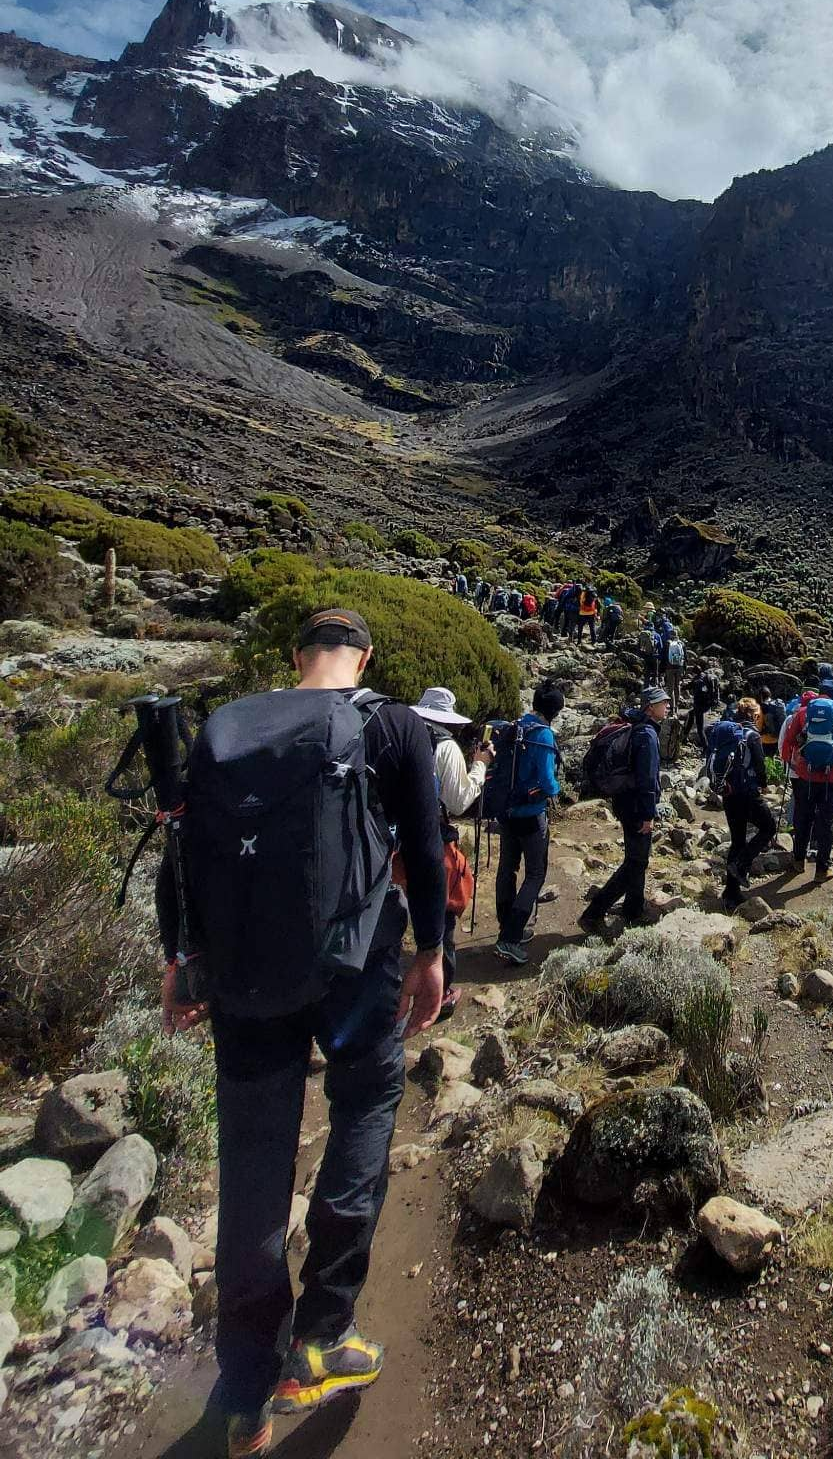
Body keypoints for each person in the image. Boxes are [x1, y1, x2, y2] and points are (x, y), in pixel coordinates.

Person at [160, 607, 444, 1459]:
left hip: (243, 970)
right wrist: (432, 953)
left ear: (296, 658)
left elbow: (184, 848)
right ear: (363, 655)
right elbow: (425, 850)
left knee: (253, 1160)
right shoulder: (389, 723)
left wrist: (183, 959)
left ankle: (244, 1382)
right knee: (364, 1105)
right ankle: (323, 1332)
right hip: (355, 962)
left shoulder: (229, 727)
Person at [410, 686, 488, 1017]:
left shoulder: (401, 736)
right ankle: (439, 995)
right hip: (432, 838)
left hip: (394, 839)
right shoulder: (445, 747)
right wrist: (480, 766)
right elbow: (458, 801)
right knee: (443, 916)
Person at [579, 686, 665, 932]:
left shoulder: (637, 728)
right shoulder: (647, 734)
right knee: (636, 862)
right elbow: (647, 778)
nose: (667, 706)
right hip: (637, 806)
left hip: (624, 801)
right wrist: (649, 813)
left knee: (636, 858)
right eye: (663, 702)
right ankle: (593, 913)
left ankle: (633, 908)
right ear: (650, 707)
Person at [491, 683, 565, 965]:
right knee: (535, 874)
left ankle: (506, 923)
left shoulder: (516, 725)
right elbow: (548, 782)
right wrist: (555, 789)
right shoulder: (543, 735)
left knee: (506, 868)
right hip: (531, 815)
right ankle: (510, 937)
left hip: (505, 811)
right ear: (555, 710)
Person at [780, 682, 833, 884]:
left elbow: (789, 741)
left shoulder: (802, 713)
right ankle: (822, 870)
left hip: (805, 776)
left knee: (803, 818)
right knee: (826, 823)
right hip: (831, 779)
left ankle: (798, 861)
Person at [709, 698, 776, 908]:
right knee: (768, 827)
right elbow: (759, 765)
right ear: (755, 715)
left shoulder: (729, 732)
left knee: (737, 840)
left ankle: (731, 894)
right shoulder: (752, 735)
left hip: (729, 794)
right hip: (747, 793)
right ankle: (742, 865)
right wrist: (764, 785)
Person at [688, 662, 722, 747]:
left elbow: (689, 686)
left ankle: (705, 747)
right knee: (691, 713)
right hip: (707, 704)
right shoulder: (706, 677)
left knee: (700, 729)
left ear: (695, 673)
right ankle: (685, 734)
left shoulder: (698, 681)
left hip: (700, 705)